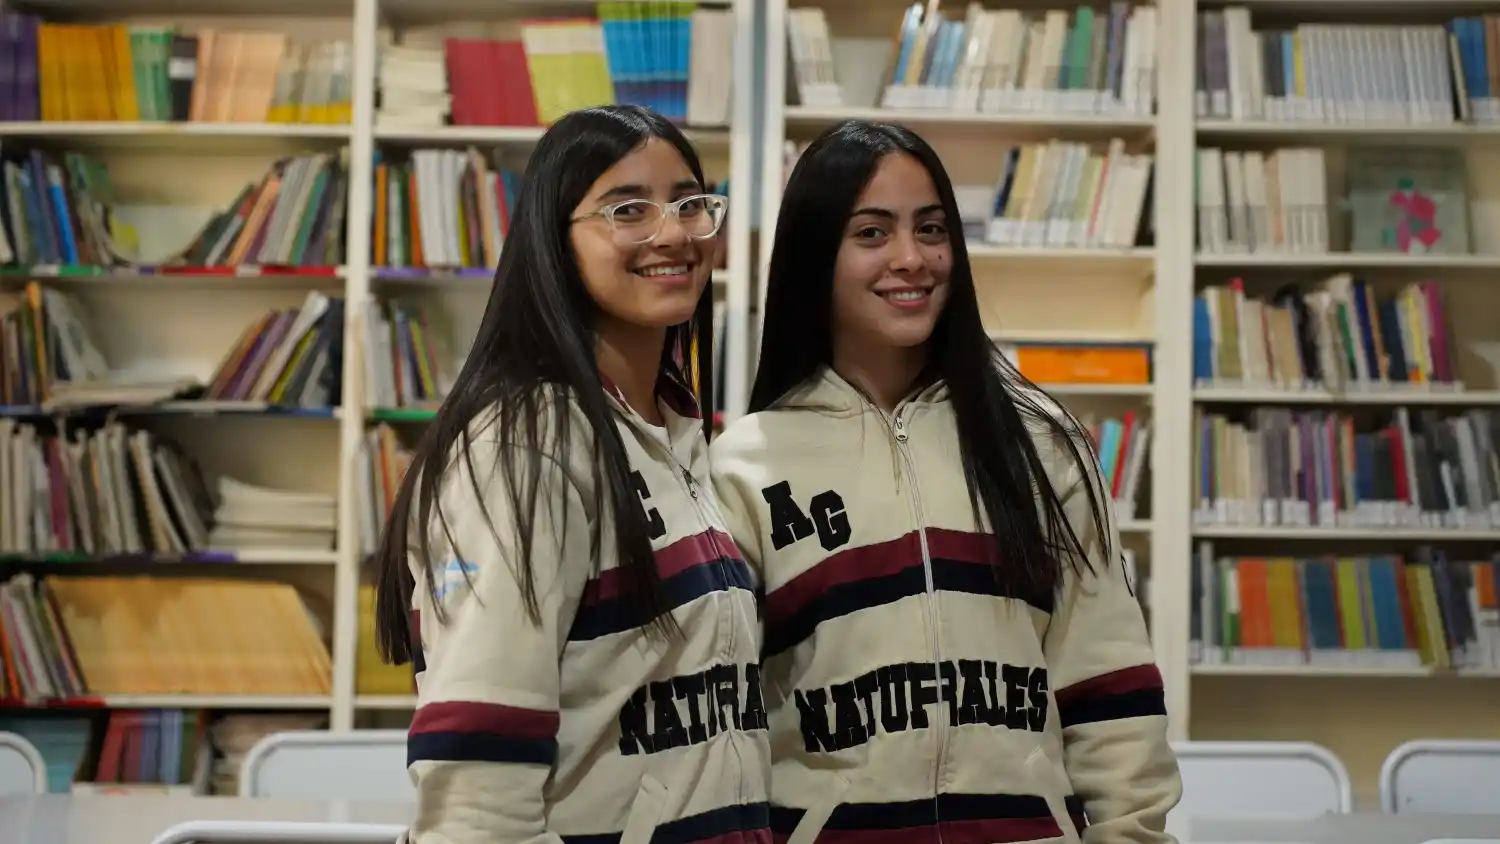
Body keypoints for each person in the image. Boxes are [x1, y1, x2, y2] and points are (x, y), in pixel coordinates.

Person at [711, 119, 1181, 843]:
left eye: (931, 230)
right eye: (871, 233)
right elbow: (725, 729)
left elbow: (1110, 689)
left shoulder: (1041, 445)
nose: (912, 259)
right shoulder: (743, 464)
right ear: (814, 255)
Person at [372, 105, 770, 844]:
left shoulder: (678, 434)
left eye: (690, 202)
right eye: (627, 209)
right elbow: (476, 790)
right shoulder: (525, 447)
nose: (673, 232)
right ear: (554, 244)